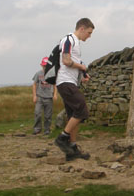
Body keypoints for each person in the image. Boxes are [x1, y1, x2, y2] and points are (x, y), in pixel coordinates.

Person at [53, 18, 95, 161]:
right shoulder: (68, 39)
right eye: (89, 33)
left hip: (70, 82)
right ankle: (62, 138)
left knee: (73, 115)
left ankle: (72, 149)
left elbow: (74, 61)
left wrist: (83, 74)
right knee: (82, 110)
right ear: (82, 28)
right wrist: (82, 67)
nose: (89, 36)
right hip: (65, 82)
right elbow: (66, 61)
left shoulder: (75, 43)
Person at [31, 57, 57, 135]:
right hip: (39, 97)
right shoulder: (38, 74)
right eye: (43, 65)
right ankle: (37, 129)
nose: (45, 67)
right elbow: (34, 85)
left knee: (48, 115)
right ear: (41, 65)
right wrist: (34, 96)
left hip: (49, 97)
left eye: (46, 65)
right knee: (37, 113)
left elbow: (55, 84)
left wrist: (55, 94)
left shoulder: (52, 74)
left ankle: (47, 129)